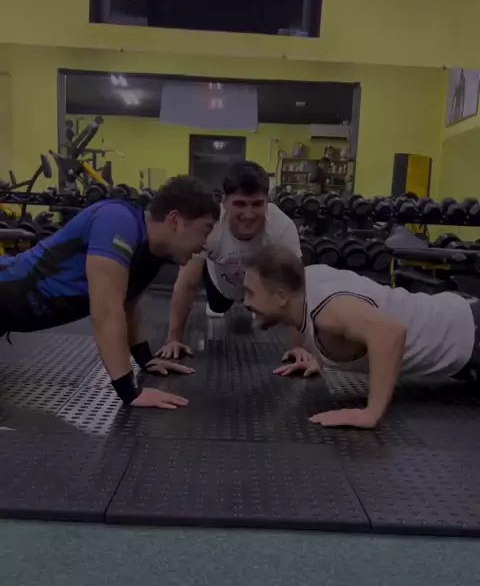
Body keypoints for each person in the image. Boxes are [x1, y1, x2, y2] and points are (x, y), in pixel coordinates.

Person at [0, 176, 219, 410]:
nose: (205, 244)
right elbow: (106, 314)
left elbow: (128, 304)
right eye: (205, 231)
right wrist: (131, 392)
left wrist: (146, 360)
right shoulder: (118, 220)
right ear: (175, 220)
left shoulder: (152, 252)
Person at [243, 245, 480, 429]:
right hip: (460, 321)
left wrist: (371, 413)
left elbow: (391, 333)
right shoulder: (303, 286)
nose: (245, 301)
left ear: (281, 297)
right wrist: (318, 356)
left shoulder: (328, 311)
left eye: (250, 293)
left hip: (469, 334)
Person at [159, 161, 313, 371]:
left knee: (273, 306)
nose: (248, 214)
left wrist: (298, 346)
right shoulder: (211, 226)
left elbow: (297, 288)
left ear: (268, 202)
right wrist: (174, 339)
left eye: (257, 204)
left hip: (259, 289)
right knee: (217, 306)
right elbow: (187, 283)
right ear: (224, 202)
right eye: (240, 204)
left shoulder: (282, 228)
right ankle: (217, 304)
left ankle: (255, 307)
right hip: (221, 286)